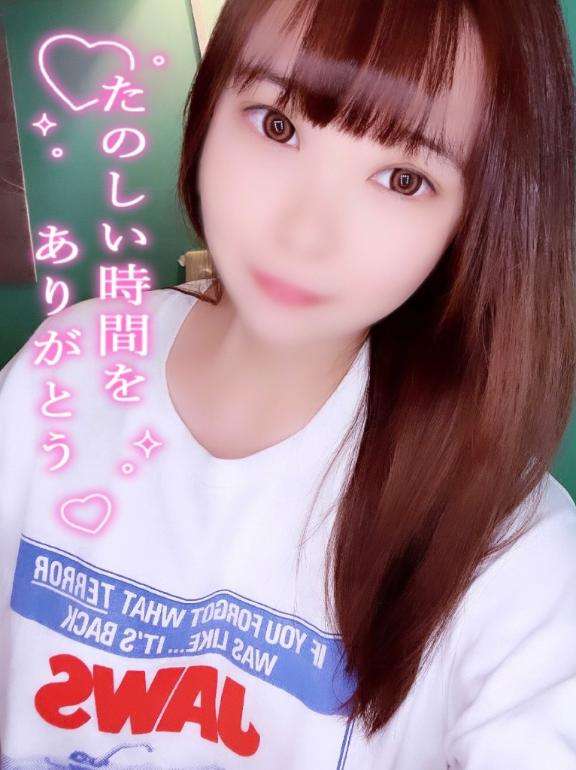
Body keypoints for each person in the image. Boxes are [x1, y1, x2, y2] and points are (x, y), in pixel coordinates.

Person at [1, 0, 576, 767]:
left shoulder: (510, 551)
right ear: (210, 105)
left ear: (475, 220)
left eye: (403, 178)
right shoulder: (69, 365)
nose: (304, 235)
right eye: (277, 125)